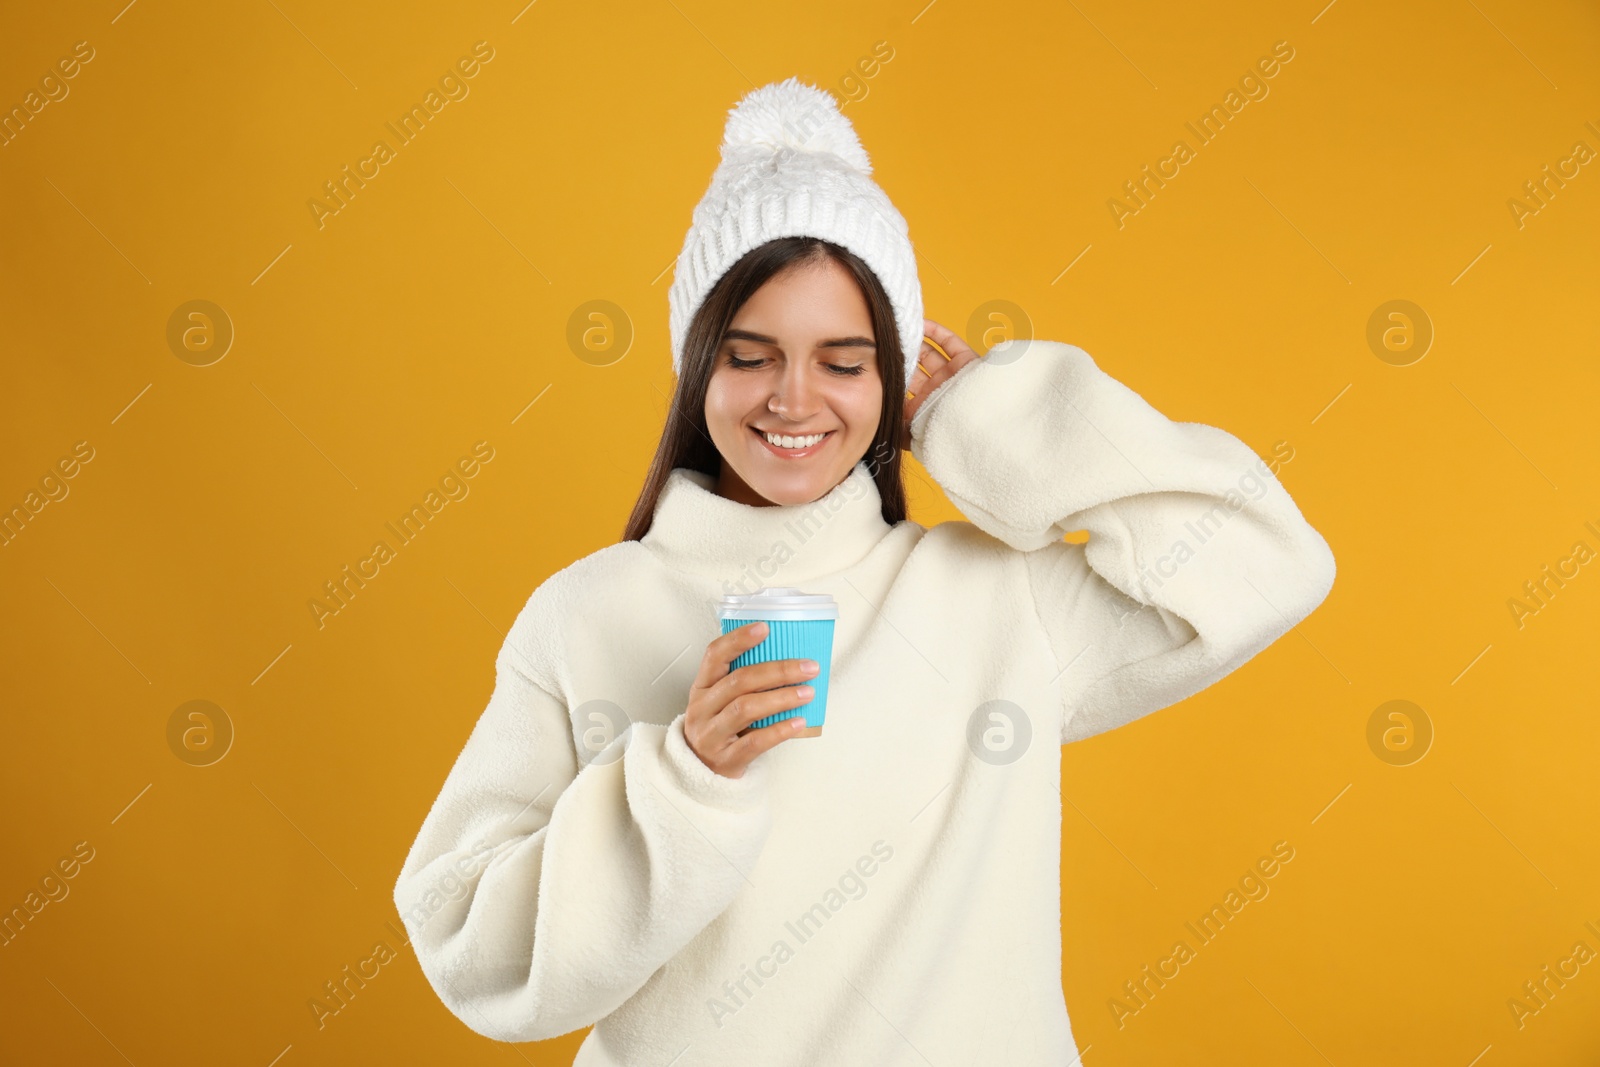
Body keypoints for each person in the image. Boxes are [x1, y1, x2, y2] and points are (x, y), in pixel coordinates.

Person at [392, 76, 1336, 1065]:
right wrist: (683, 778)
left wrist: (984, 413)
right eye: (750, 355)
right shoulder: (585, 614)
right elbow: (470, 946)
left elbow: (1263, 559)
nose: (794, 400)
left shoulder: (993, 597)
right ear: (695, 364)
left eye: (844, 361)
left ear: (890, 376)